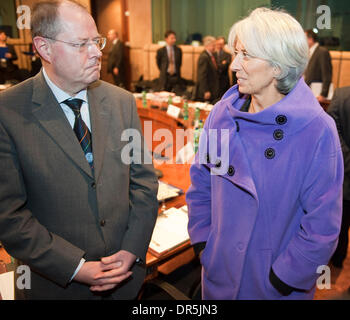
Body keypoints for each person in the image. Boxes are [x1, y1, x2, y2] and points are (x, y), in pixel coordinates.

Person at [0, 0, 158, 300]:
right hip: (55, 286)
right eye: (81, 44)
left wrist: (131, 250)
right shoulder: (7, 113)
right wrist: (76, 267)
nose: (97, 52)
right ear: (44, 49)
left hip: (126, 281)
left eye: (96, 41)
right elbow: (8, 216)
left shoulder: (122, 102)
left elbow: (144, 182)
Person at [186, 7, 343, 300]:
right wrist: (203, 242)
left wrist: (283, 277)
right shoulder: (221, 114)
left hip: (271, 287)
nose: (234, 64)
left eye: (246, 55)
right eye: (236, 53)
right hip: (218, 277)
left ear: (278, 67)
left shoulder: (317, 130)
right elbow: (201, 183)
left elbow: (322, 225)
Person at [327, 87, 350, 269]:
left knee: (340, 218)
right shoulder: (342, 95)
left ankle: (337, 258)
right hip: (344, 175)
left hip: (344, 174)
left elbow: (333, 133)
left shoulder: (342, 94)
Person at [304, 29, 333, 103]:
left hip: (317, 94)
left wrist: (323, 94)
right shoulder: (308, 52)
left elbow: (327, 74)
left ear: (310, 39)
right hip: (308, 92)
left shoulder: (322, 52)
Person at [194, 36, 220, 104]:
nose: (215, 47)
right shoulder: (204, 57)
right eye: (213, 45)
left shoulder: (211, 55)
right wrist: (205, 91)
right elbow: (202, 76)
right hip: (207, 90)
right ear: (207, 45)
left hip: (213, 88)